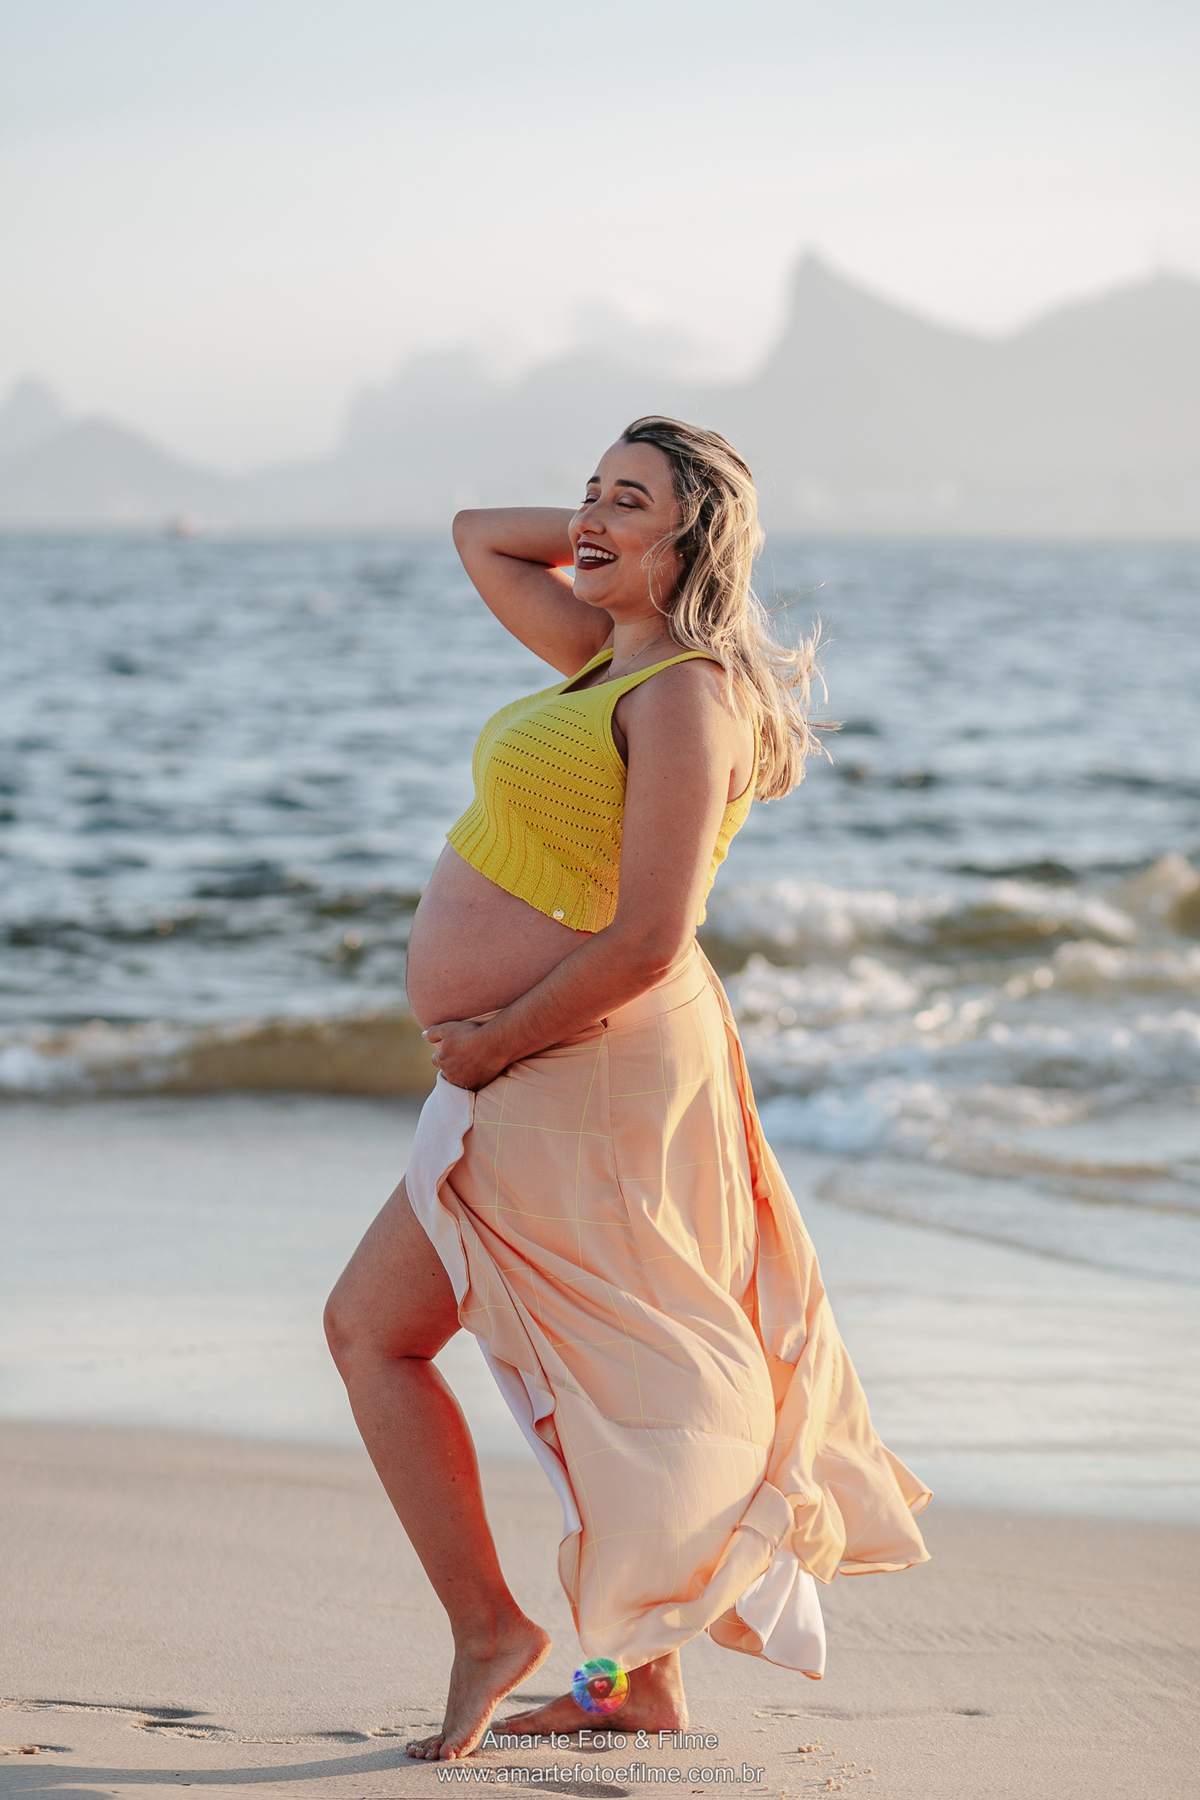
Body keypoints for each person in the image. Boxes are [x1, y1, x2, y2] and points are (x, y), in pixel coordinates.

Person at [324, 416, 930, 1764]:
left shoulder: (684, 695)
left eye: (627, 500)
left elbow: (653, 935)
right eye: (589, 491)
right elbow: (482, 536)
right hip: (550, 1058)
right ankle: (624, 1682)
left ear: (696, 537)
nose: (587, 517)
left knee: (477, 1351)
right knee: (585, 1380)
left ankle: (506, 1634)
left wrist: (495, 1042)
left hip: (586, 1063)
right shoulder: (610, 656)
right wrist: (614, 537)